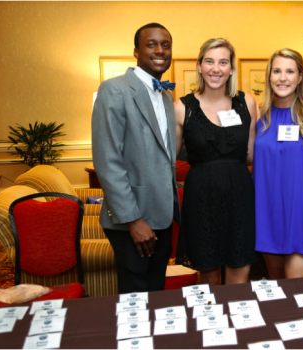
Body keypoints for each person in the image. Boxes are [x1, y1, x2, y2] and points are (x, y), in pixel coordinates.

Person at [91, 23, 180, 293]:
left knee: (156, 290)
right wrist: (133, 220)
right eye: (151, 44)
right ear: (136, 51)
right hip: (132, 220)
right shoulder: (113, 90)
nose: (160, 50)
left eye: (165, 45)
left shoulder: (165, 95)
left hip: (162, 216)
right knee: (135, 297)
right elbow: (108, 161)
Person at [174, 38, 258, 285]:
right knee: (208, 275)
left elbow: (252, 153)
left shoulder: (248, 103)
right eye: (209, 61)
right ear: (199, 66)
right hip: (201, 199)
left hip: (240, 197)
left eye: (223, 62)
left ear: (231, 68)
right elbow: (168, 160)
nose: (216, 68)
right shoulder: (181, 108)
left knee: (240, 272)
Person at [253, 49, 303, 279]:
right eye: (277, 71)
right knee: (275, 282)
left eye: (290, 71)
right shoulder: (258, 114)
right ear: (269, 76)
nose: (282, 78)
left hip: (301, 209)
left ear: (300, 77)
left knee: (295, 285)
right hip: (266, 209)